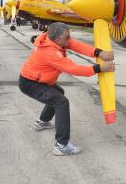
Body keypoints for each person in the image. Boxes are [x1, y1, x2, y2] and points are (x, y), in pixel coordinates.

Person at [18, 22, 115, 156]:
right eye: (67, 37)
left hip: (38, 80)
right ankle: (61, 145)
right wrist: (99, 68)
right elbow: (72, 68)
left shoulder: (55, 39)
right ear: (58, 39)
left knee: (59, 93)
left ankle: (42, 122)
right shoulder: (50, 52)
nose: (70, 39)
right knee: (61, 102)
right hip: (31, 83)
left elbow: (78, 45)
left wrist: (99, 52)